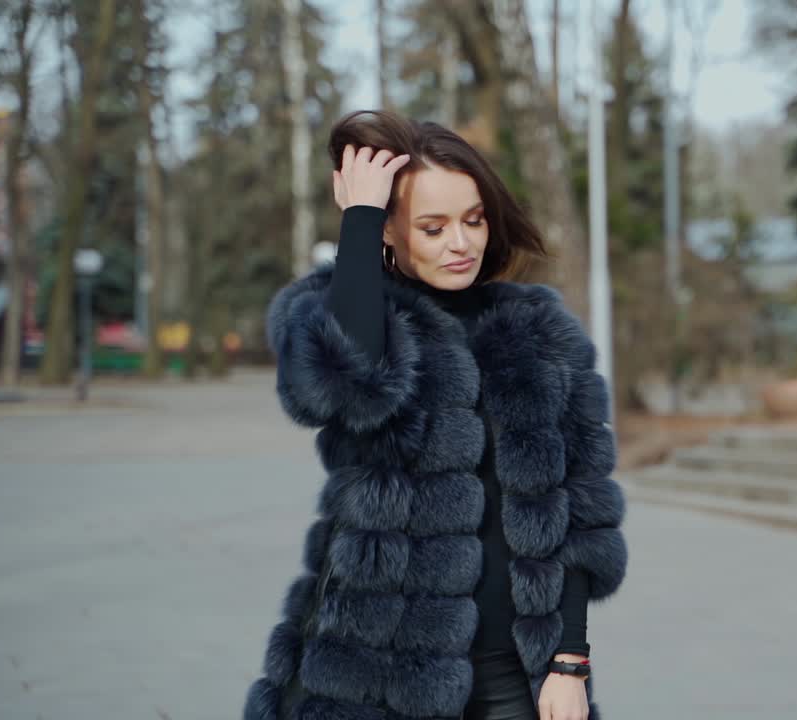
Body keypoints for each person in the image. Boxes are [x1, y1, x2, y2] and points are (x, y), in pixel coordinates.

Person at [243, 110, 629, 720]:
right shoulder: (360, 317)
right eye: (433, 226)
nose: (461, 242)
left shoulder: (540, 332)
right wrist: (361, 217)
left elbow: (582, 514)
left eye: (474, 220)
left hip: (515, 672)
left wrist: (570, 662)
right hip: (369, 674)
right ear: (390, 234)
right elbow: (342, 381)